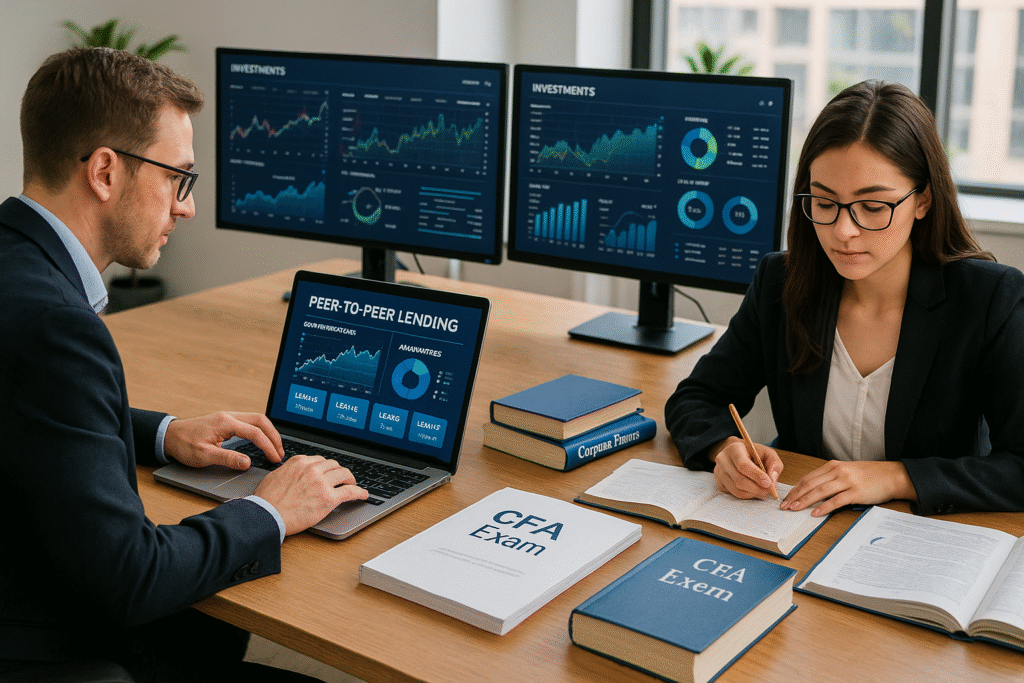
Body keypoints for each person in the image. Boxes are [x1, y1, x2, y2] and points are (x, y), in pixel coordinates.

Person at [0, 48, 368, 681]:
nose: (186, 207)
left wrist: (166, 433)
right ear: (106, 173)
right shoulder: (57, 327)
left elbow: (26, 407)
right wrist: (273, 512)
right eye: (178, 178)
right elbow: (131, 578)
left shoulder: (17, 270)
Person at [665, 80, 1024, 518]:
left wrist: (894, 476)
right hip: (798, 526)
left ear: (924, 200)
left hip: (923, 535)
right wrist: (724, 448)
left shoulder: (989, 300)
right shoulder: (780, 282)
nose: (843, 232)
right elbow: (695, 398)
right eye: (824, 202)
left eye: (872, 207)